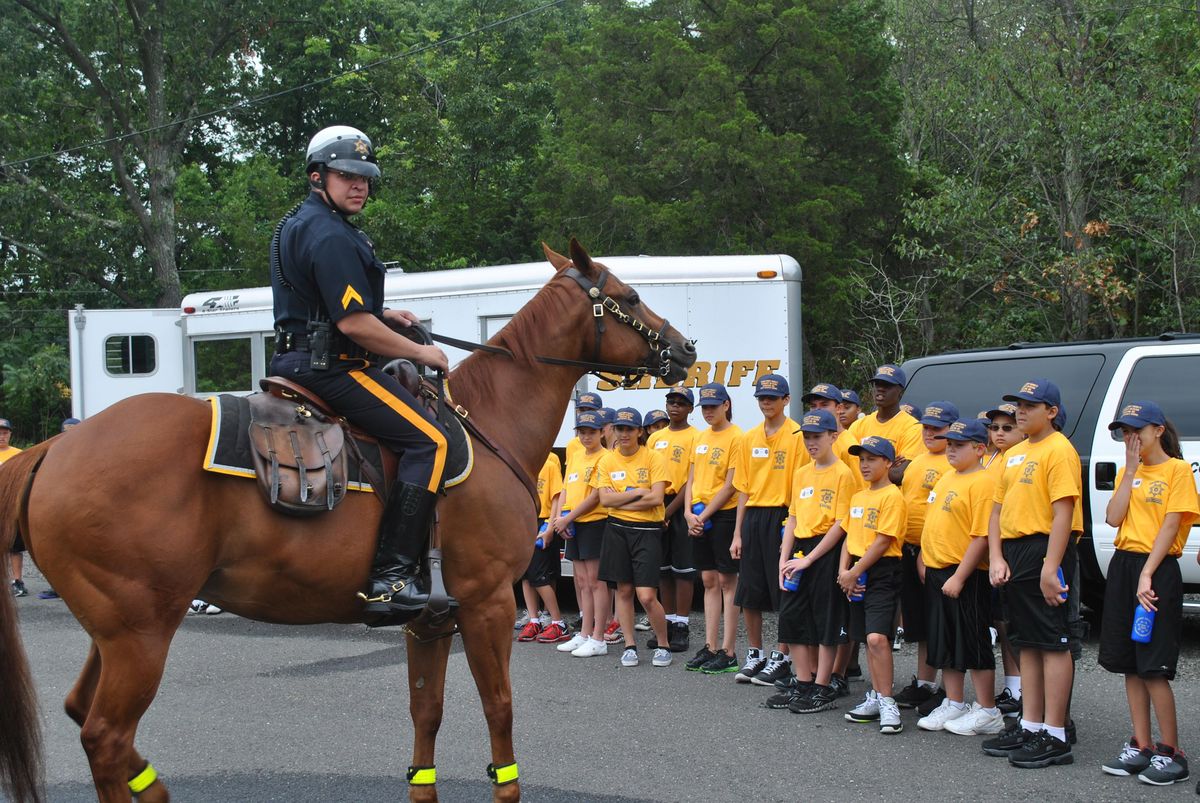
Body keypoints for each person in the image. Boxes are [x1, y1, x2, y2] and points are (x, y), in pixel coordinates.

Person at [270, 125, 452, 618]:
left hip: (297, 357)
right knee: (431, 442)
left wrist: (383, 314)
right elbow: (352, 325)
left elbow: (322, 303)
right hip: (333, 368)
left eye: (365, 178)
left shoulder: (304, 222)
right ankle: (391, 578)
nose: (359, 186)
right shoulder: (331, 234)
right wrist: (421, 354)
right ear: (317, 176)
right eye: (347, 175)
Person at [983, 379, 1082, 769]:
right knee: (1027, 642)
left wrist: (1051, 566)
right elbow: (996, 510)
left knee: (1053, 641)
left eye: (1030, 406)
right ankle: (1032, 724)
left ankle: (1055, 734)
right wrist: (996, 556)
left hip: (1045, 549)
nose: (1020, 412)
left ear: (1051, 411)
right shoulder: (1015, 453)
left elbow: (1063, 512)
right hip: (1014, 551)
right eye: (1018, 405)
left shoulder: (1059, 449)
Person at [1098, 401, 1196, 785]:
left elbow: (1171, 526)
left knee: (1153, 665)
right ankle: (1141, 744)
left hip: (1156, 569)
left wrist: (1148, 574)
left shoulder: (1177, 471)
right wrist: (1129, 471)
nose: (1131, 437)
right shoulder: (1132, 470)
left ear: (1158, 430)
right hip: (1125, 565)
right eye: (1125, 431)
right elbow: (1113, 518)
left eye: (1137, 430)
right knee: (1130, 664)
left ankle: (1171, 752)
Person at [914, 418, 1005, 736]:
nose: (951, 450)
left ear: (980, 449)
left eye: (959, 445)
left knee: (973, 641)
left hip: (965, 574)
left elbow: (981, 536)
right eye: (949, 444)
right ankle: (954, 701)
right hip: (938, 570)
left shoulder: (984, 482)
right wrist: (924, 558)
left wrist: (960, 576)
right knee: (945, 640)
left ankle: (988, 709)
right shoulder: (947, 477)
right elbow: (933, 523)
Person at [773, 409, 857, 714]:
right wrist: (784, 559)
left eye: (817, 436)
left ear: (833, 437)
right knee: (792, 616)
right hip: (799, 551)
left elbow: (841, 523)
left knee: (825, 619)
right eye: (807, 437)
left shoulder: (843, 474)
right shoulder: (801, 473)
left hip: (825, 551)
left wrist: (810, 558)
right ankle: (803, 681)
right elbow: (793, 517)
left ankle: (822, 686)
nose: (811, 442)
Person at [730, 374, 805, 686]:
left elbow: (801, 485)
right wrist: (737, 533)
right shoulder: (748, 438)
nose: (766, 403)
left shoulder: (798, 436)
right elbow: (743, 489)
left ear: (786, 400)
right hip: (754, 517)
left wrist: (794, 525)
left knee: (783, 589)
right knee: (749, 590)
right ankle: (755, 653)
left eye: (772, 398)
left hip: (784, 516)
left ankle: (782, 656)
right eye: (762, 397)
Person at [594, 408, 673, 668]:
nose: (624, 434)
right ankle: (629, 645)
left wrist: (620, 500)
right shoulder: (607, 460)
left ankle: (663, 644)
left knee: (647, 595)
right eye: (620, 428)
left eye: (630, 429)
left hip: (647, 531)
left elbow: (656, 498)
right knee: (624, 590)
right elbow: (605, 500)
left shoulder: (653, 457)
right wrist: (638, 492)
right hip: (616, 529)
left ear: (640, 431)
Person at [894, 402, 958, 714]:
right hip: (907, 548)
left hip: (935, 553)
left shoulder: (953, 463)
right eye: (927, 427)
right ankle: (925, 683)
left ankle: (948, 688)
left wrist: (925, 552)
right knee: (919, 622)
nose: (930, 433)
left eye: (937, 428)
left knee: (941, 621)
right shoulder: (916, 461)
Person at [840, 436, 906, 735]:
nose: (865, 465)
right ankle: (877, 696)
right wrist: (844, 571)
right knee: (867, 637)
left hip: (881, 570)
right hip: (857, 570)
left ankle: (888, 701)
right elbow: (848, 536)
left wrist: (854, 571)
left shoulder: (892, 496)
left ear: (888, 463)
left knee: (879, 637)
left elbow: (883, 541)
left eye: (872, 459)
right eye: (861, 459)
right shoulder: (858, 497)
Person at [683, 383, 743, 674]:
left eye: (713, 406)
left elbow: (731, 485)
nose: (708, 411)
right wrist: (687, 512)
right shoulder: (700, 436)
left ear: (726, 405)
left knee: (727, 582)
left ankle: (729, 651)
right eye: (704, 407)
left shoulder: (737, 437)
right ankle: (710, 645)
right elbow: (691, 478)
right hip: (698, 515)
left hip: (723, 515)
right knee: (708, 580)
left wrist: (703, 515)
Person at [553, 411, 611, 658]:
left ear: (602, 433)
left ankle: (599, 637)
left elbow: (596, 495)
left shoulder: (605, 457)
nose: (586, 437)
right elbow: (566, 488)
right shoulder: (576, 456)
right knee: (583, 582)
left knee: (597, 582)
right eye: (582, 433)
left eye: (591, 432)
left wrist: (567, 518)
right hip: (573, 522)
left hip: (595, 522)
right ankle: (585, 633)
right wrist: (560, 518)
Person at [649, 386, 699, 653]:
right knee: (662, 569)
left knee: (683, 570)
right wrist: (655, 509)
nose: (675, 407)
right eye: (671, 402)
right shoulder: (655, 437)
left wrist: (668, 513)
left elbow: (691, 480)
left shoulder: (696, 437)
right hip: (656, 503)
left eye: (681, 403)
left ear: (690, 408)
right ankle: (666, 622)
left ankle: (682, 624)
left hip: (681, 505)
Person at [984, 402, 1026, 718]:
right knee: (1000, 619)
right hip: (990, 548)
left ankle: (1023, 689)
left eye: (1007, 428)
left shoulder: (1021, 458)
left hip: (1015, 547)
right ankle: (1013, 686)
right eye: (995, 427)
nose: (999, 433)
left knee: (1015, 622)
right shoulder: (991, 459)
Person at [516, 453, 570, 644]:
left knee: (539, 576)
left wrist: (550, 527)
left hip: (543, 522)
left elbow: (557, 498)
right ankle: (534, 620)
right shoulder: (521, 462)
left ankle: (558, 622)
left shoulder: (549, 464)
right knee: (526, 575)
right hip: (524, 522)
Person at [37, 418, 82, 601]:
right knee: (58, 550)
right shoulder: (52, 454)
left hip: (80, 510)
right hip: (58, 510)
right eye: (66, 431)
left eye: (74, 431)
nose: (69, 435)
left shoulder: (88, 454)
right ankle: (58, 587)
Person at [847, 364, 924, 465]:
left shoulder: (913, 427)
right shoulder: (858, 425)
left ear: (901, 391)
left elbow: (903, 471)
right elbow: (848, 464)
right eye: (877, 384)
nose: (881, 389)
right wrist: (889, 464)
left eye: (887, 385)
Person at [1, 418, 26, 597]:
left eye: (5, 432)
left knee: (14, 546)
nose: (1, 436)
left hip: (11, 505)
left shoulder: (19, 454)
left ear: (10, 434)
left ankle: (17, 581)